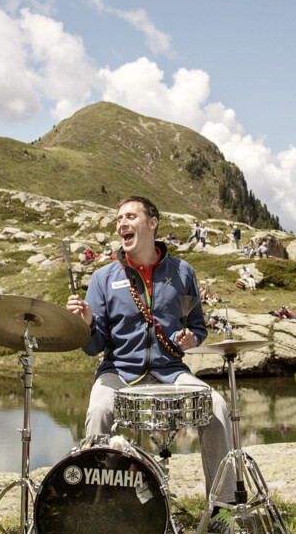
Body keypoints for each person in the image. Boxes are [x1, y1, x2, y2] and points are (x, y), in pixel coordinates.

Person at [67, 196, 238, 506]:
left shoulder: (183, 271)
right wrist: (88, 324)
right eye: (119, 219)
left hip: (171, 372)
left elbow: (198, 326)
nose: (121, 224)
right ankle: (94, 509)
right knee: (99, 412)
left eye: (130, 216)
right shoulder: (103, 278)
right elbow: (93, 346)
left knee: (217, 409)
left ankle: (224, 510)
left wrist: (191, 339)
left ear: (152, 223)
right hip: (118, 372)